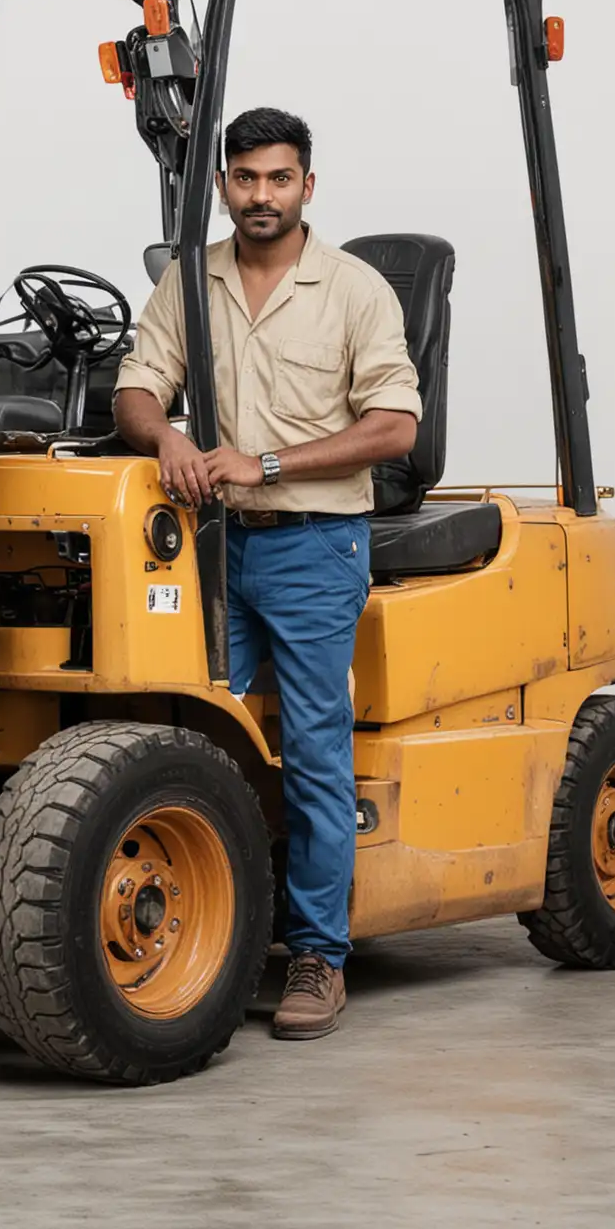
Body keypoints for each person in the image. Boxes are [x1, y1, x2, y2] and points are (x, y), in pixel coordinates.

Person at [113, 107, 421, 1039]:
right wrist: (165, 436)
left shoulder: (356, 291)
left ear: (307, 188)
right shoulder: (190, 282)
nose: (260, 196)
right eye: (245, 179)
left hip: (314, 544)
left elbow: (395, 429)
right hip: (213, 544)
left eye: (278, 179)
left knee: (317, 752)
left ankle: (319, 959)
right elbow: (135, 384)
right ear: (222, 186)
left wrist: (267, 463)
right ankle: (221, 922)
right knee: (183, 735)